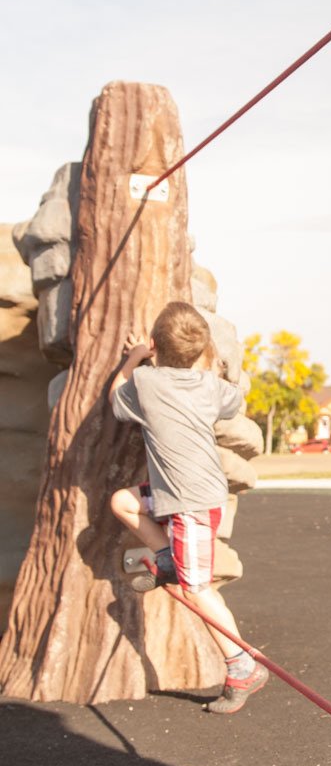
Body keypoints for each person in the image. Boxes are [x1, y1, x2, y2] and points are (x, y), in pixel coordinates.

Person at [108, 301, 269, 714]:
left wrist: (131, 359)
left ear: (155, 348)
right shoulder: (209, 386)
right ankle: (166, 558)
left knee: (197, 590)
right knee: (124, 502)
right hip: (177, 496)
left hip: (192, 505)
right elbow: (233, 402)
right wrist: (213, 370)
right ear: (200, 352)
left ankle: (241, 665)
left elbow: (114, 399)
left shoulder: (144, 381)